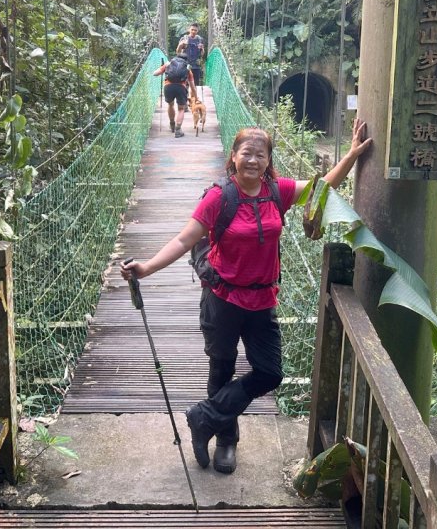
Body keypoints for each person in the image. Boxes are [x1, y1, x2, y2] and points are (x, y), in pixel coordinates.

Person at [121, 118, 373, 474]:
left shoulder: (277, 191)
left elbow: (322, 189)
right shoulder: (219, 197)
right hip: (222, 299)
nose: (253, 160)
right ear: (234, 157)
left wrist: (349, 155)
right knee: (221, 368)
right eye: (247, 153)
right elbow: (184, 240)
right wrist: (146, 267)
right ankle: (226, 441)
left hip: (262, 300)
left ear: (268, 161)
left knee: (269, 372)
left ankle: (203, 417)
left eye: (261, 155)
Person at [154, 52, 197, 138]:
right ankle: (178, 130)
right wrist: (195, 97)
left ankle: (172, 124)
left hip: (168, 87)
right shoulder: (187, 69)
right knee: (181, 109)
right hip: (181, 88)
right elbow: (192, 87)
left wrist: (163, 67)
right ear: (186, 61)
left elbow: (155, 73)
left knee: (170, 105)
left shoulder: (168, 64)